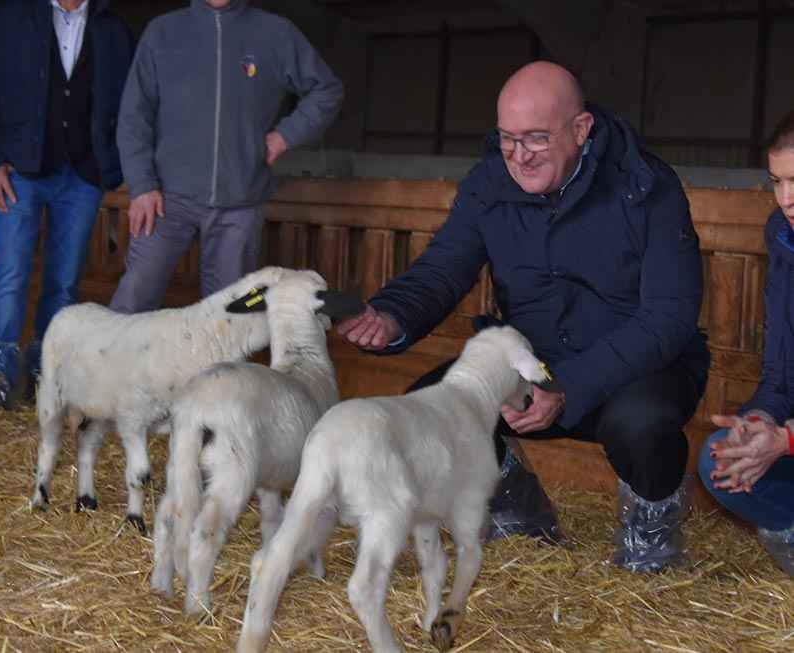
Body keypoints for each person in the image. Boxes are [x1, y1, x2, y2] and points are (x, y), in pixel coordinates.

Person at [337, 61, 710, 573]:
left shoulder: (646, 187)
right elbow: (445, 266)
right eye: (507, 139)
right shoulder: (490, 182)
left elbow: (669, 318)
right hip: (534, 361)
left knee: (641, 425)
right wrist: (394, 315)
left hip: (638, 367)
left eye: (535, 139)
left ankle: (651, 548)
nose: (517, 156)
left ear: (581, 130)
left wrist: (567, 384)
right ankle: (521, 521)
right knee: (434, 404)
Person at [108, 0, 344, 314]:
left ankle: (218, 367)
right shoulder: (162, 32)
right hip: (165, 198)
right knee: (133, 296)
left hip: (240, 203)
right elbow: (134, 117)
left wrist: (286, 135)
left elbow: (326, 90)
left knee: (229, 316)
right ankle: (114, 363)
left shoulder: (276, 32)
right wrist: (141, 185)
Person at [0, 0, 135, 410]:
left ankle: (46, 374)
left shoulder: (113, 27)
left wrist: (112, 164)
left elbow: (134, 102)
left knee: (64, 281)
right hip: (17, 169)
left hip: (82, 175)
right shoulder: (6, 16)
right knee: (10, 272)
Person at [697, 111, 794, 576]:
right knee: (718, 455)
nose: (787, 199)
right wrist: (760, 421)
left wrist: (787, 439)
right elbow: (779, 371)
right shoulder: (784, 240)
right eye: (777, 181)